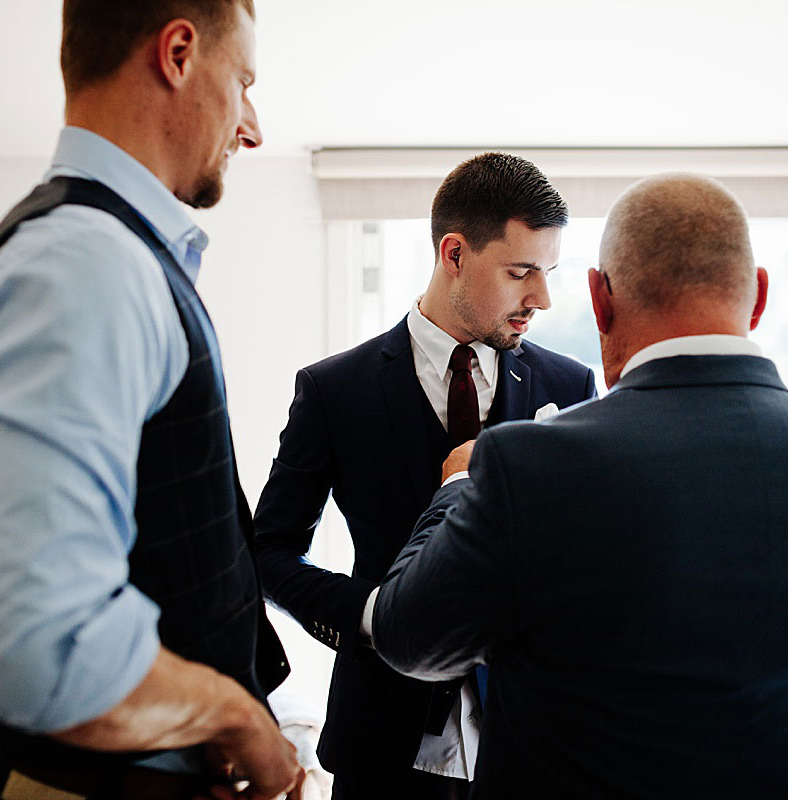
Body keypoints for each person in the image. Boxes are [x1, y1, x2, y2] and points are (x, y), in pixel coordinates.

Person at [372, 173, 788, 799]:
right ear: (757, 298)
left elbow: (410, 639)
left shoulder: (525, 467)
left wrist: (457, 486)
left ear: (599, 299)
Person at [0, 1, 302, 798]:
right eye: (242, 82)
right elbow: (43, 648)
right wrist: (236, 717)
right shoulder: (85, 262)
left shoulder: (120, 257)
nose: (251, 126)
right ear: (178, 53)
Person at [254, 153, 597, 798]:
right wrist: (372, 618)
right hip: (380, 740)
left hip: (528, 745)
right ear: (454, 254)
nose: (541, 300)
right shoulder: (335, 390)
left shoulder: (568, 385)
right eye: (521, 272)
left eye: (548, 273)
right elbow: (267, 552)